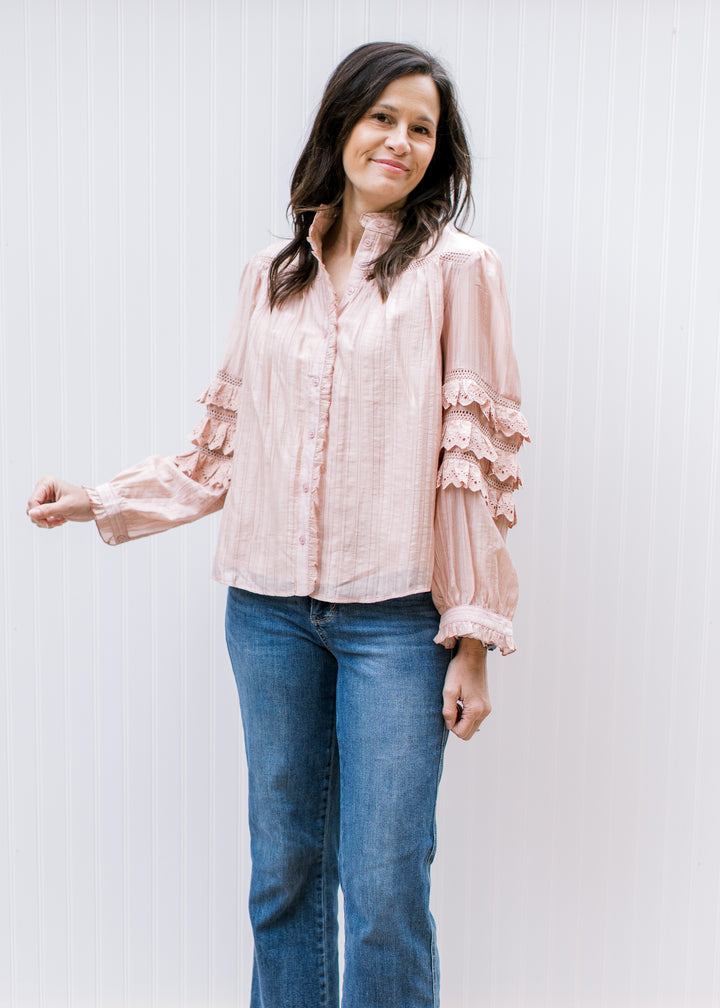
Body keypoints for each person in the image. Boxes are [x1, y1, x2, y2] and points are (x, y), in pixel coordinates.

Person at [27, 41, 528, 1008]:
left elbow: (468, 472)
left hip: (397, 621)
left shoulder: (461, 271)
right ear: (340, 125)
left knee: (385, 887)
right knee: (283, 874)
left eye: (422, 127)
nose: (401, 141)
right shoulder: (273, 271)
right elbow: (229, 447)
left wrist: (472, 646)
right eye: (382, 116)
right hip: (266, 614)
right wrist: (103, 496)